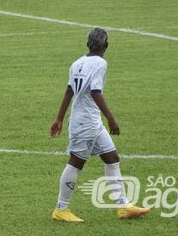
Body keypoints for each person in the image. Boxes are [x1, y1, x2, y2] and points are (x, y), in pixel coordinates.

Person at [49, 28, 152, 222]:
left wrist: (59, 118)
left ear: (88, 44)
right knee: (76, 162)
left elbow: (69, 91)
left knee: (112, 158)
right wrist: (111, 118)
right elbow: (96, 92)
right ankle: (61, 210)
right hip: (86, 122)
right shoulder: (100, 63)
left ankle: (123, 206)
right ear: (106, 45)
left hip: (89, 121)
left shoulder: (77, 63)